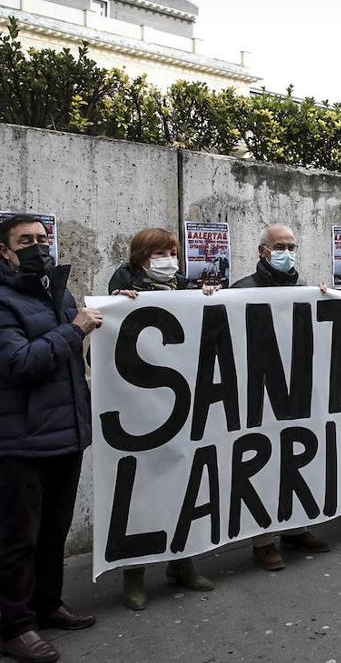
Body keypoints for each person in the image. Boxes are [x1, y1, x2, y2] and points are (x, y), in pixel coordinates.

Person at [0, 214, 99, 662]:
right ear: (5, 250)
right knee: (19, 537)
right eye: (26, 240)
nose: (38, 246)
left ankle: (47, 605)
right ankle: (16, 627)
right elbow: (21, 362)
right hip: (21, 440)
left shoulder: (55, 293)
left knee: (52, 533)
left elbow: (76, 347)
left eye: (43, 238)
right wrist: (75, 327)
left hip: (65, 433)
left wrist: (121, 309)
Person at [108, 228, 219, 609]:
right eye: (159, 252)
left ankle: (182, 563)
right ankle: (134, 575)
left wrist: (207, 301)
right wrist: (117, 306)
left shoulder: (185, 287)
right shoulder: (121, 290)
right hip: (141, 409)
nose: (169, 258)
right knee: (139, 493)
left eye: (172, 251)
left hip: (183, 407)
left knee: (183, 484)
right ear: (140, 257)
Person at [230, 225, 333, 569]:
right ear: (263, 251)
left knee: (298, 457)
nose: (286, 251)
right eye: (279, 246)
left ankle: (295, 530)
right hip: (260, 390)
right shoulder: (242, 290)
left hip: (297, 387)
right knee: (263, 466)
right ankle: (263, 542)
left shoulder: (304, 290)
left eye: (291, 246)